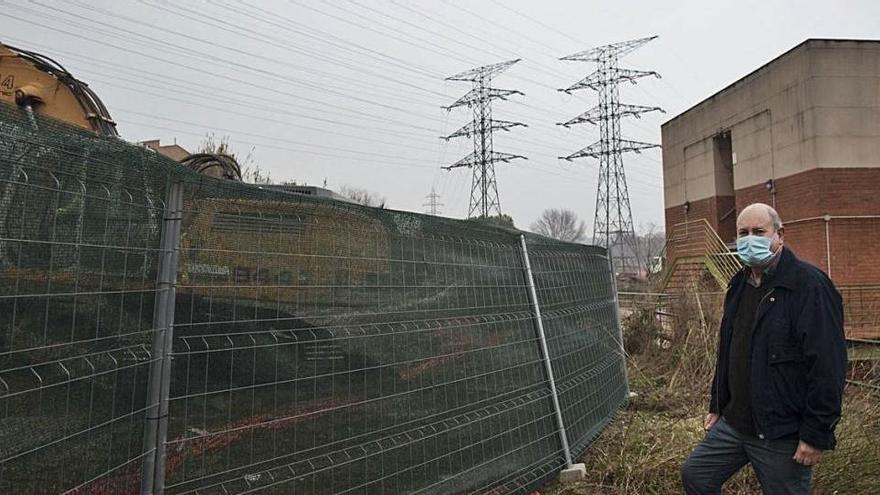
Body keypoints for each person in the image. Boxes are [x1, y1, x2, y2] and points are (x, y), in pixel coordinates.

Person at [681, 203, 847, 494]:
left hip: (781, 432)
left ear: (779, 235)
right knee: (696, 475)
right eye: (743, 233)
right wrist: (717, 406)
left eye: (759, 232)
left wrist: (817, 433)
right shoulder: (739, 285)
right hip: (735, 423)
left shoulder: (809, 287)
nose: (749, 239)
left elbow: (828, 366)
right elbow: (728, 351)